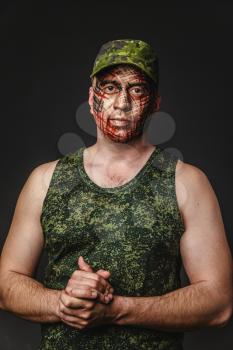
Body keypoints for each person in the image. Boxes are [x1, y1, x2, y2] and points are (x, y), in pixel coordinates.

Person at [0, 39, 232, 350]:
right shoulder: (45, 180)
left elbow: (219, 304)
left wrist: (116, 310)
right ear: (91, 97)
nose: (122, 102)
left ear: (155, 102)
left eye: (137, 90)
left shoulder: (186, 182)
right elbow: (6, 284)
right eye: (110, 87)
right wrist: (63, 302)